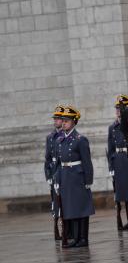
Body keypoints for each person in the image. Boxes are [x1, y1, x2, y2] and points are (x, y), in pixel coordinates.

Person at [55, 105, 95, 247]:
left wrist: (88, 179)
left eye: (67, 120)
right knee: (71, 208)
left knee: (82, 208)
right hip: (66, 177)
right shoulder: (60, 140)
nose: (64, 123)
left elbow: (87, 161)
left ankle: (83, 238)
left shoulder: (80, 139)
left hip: (78, 177)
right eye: (63, 120)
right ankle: (76, 238)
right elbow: (59, 163)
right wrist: (57, 179)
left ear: (74, 122)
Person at [107, 94, 128, 230]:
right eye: (117, 108)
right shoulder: (112, 127)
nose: (118, 111)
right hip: (119, 160)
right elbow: (110, 149)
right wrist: (111, 165)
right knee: (125, 193)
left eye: (120, 108)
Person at [44, 105, 65, 240]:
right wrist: (48, 176)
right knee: (55, 202)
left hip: (64, 172)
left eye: (58, 118)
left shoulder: (65, 135)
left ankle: (67, 228)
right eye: (55, 118)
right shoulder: (50, 137)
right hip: (54, 172)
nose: (56, 121)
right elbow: (47, 159)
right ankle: (57, 226)